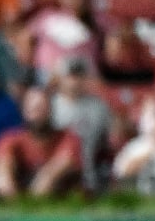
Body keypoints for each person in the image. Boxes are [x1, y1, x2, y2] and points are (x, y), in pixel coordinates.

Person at [0, 85, 84, 197]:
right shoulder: (9, 139)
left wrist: (33, 201)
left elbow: (51, 174)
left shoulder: (68, 138)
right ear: (23, 111)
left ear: (50, 110)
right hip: (18, 201)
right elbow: (3, 171)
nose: (37, 114)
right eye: (32, 109)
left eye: (41, 108)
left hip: (59, 203)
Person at [50, 56, 117, 191]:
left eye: (79, 76)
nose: (75, 81)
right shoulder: (49, 105)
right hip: (54, 170)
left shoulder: (98, 107)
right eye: (70, 76)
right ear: (60, 78)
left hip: (89, 173)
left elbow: (111, 139)